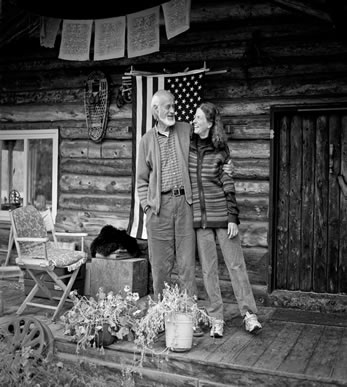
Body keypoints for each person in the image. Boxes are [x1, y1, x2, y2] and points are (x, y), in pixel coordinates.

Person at [188, 102, 262, 338]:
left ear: (209, 123)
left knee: (236, 265)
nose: (194, 121)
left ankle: (249, 315)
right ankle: (216, 318)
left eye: (198, 118)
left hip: (223, 216)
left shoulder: (220, 149)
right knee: (208, 271)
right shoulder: (187, 146)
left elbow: (227, 184)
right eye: (194, 117)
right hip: (200, 220)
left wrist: (233, 217)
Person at [136, 90, 197, 304]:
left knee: (187, 265)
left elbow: (208, 144)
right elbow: (141, 180)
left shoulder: (186, 130)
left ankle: (189, 314)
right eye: (167, 107)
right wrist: (147, 207)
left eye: (173, 106)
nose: (172, 110)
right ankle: (162, 315)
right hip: (159, 209)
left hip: (184, 205)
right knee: (161, 267)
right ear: (155, 110)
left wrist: (224, 160)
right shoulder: (146, 141)